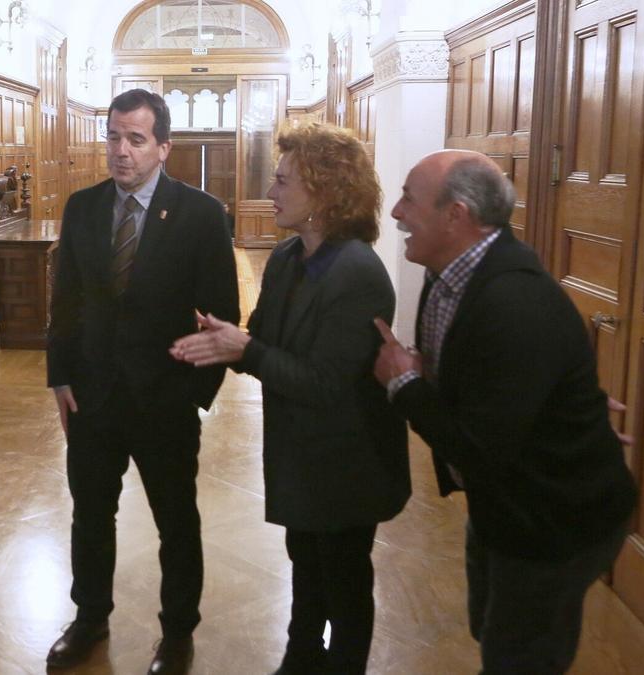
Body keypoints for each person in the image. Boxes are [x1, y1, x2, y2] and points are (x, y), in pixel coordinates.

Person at [372, 149, 638, 674]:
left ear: (458, 215)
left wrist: (403, 384)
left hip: (557, 518)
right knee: (492, 628)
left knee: (521, 656)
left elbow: (480, 446)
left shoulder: (514, 300)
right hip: (507, 505)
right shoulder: (448, 272)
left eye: (409, 198)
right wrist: (559, 400)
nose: (397, 213)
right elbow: (494, 376)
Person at [171, 121, 410, 674]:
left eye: (282, 182)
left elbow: (325, 383)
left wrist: (244, 350)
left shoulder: (357, 273)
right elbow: (266, 340)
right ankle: (301, 656)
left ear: (324, 192)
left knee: (345, 579)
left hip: (348, 459)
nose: (271, 192)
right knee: (305, 561)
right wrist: (226, 339)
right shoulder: (285, 258)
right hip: (301, 451)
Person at [45, 88, 239, 674]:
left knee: (176, 521)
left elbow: (220, 315)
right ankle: (89, 618)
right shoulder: (82, 207)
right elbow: (67, 301)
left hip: (165, 401)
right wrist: (59, 378)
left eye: (135, 139)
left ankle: (177, 632)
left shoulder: (202, 215)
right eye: (113, 136)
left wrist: (194, 399)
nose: (120, 151)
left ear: (163, 148)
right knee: (89, 514)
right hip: (93, 395)